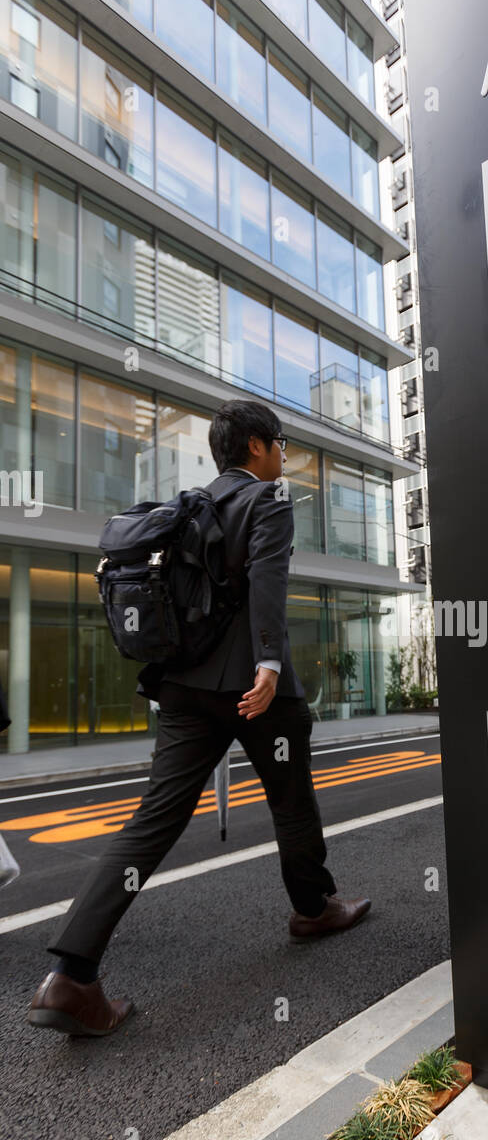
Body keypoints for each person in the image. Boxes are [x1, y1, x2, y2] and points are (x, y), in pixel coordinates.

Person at [28, 400, 369, 1038]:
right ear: (260, 448)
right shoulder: (268, 501)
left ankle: (71, 975)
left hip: (185, 689)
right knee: (290, 799)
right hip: (255, 689)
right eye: (281, 444)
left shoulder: (184, 510)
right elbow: (269, 581)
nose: (283, 455)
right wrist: (268, 664)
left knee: (153, 820)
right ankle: (313, 908)